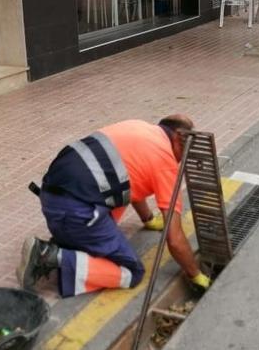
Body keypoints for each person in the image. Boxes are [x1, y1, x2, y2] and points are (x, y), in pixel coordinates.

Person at [16, 114, 212, 298]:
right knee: (131, 272)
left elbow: (133, 182)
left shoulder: (139, 127)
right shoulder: (165, 160)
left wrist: (148, 219)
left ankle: (67, 242)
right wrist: (195, 274)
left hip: (52, 196)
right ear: (178, 137)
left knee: (115, 191)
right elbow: (175, 240)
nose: (184, 157)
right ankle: (50, 256)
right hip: (76, 210)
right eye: (187, 148)